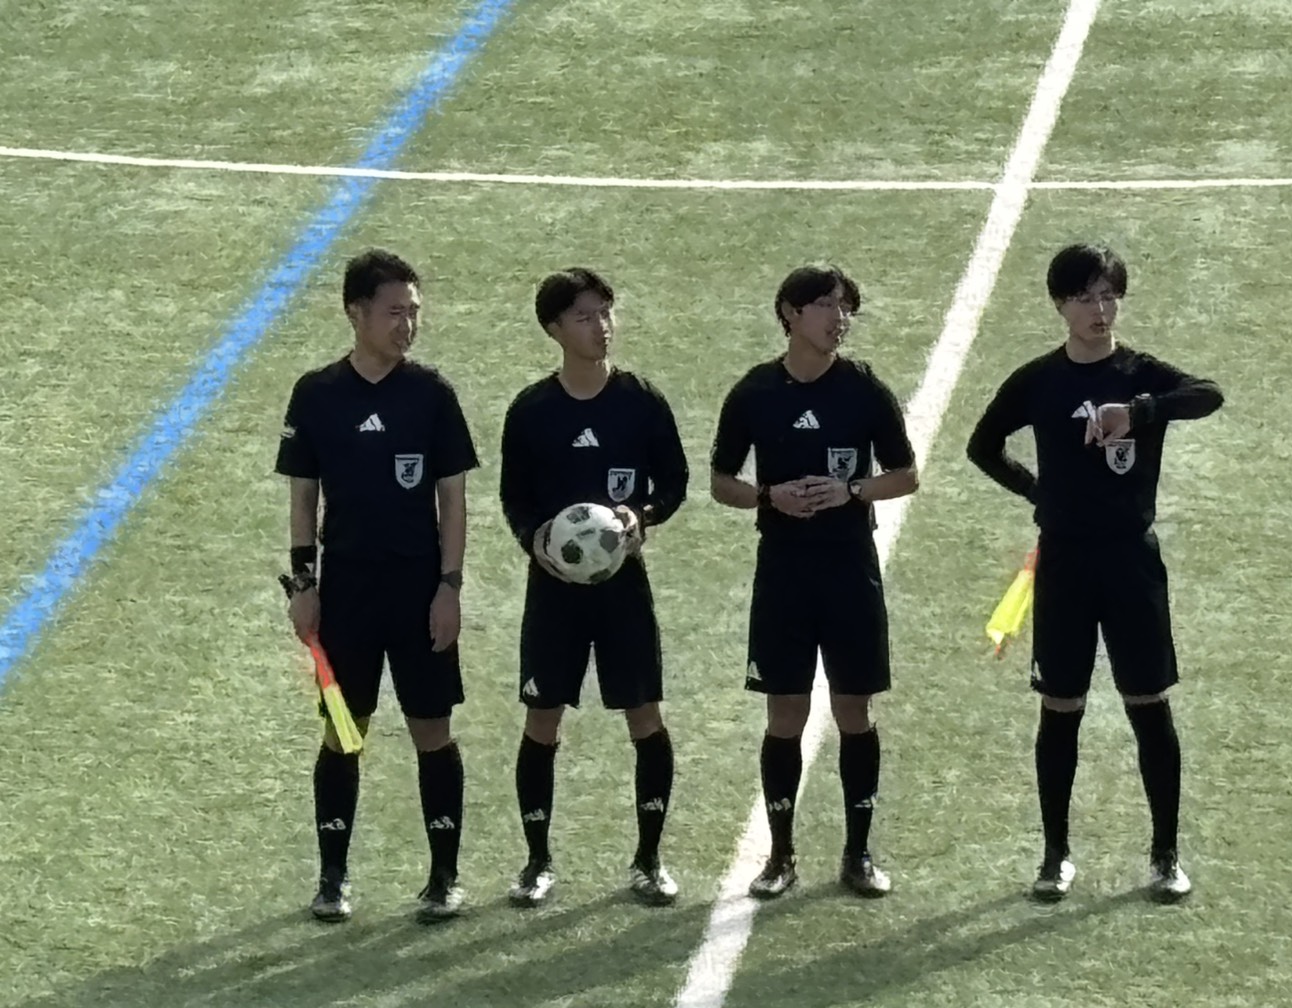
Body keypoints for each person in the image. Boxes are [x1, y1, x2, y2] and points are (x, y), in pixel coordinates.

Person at [965, 242, 1223, 903]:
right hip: (1065, 563)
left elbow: (1207, 394)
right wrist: (1036, 493)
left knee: (1148, 703)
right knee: (1061, 706)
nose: (1099, 310)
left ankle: (1164, 854)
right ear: (1060, 304)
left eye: (1109, 296)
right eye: (1084, 297)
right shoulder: (1039, 380)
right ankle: (1055, 855)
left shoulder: (1140, 373)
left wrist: (1137, 411)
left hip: (1131, 561)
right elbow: (981, 445)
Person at [275, 249, 480, 923]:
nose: (407, 325)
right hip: (346, 596)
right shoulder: (317, 394)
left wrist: (449, 587)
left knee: (433, 731)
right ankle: (332, 878)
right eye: (394, 312)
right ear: (355, 313)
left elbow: (453, 501)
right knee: (343, 731)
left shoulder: (432, 394)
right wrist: (304, 584)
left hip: (418, 593)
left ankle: (443, 878)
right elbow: (303, 498)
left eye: (413, 312)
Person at [709, 264, 918, 900]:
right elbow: (721, 482)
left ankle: (858, 854)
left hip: (850, 570)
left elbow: (905, 475)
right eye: (827, 305)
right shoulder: (755, 392)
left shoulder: (864, 389)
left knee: (854, 709)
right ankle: (780, 855)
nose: (840, 317)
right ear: (791, 313)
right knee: (786, 712)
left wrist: (850, 490)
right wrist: (767, 496)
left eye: (845, 306)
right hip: (784, 572)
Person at [498, 268, 689, 907]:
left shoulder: (641, 400)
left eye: (606, 312)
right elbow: (514, 498)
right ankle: (536, 862)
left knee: (645, 715)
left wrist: (643, 515)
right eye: (584, 316)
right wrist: (535, 540)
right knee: (542, 718)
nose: (600, 326)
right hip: (553, 591)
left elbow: (674, 482)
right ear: (554, 328)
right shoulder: (532, 411)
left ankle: (649, 860)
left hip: (622, 587)